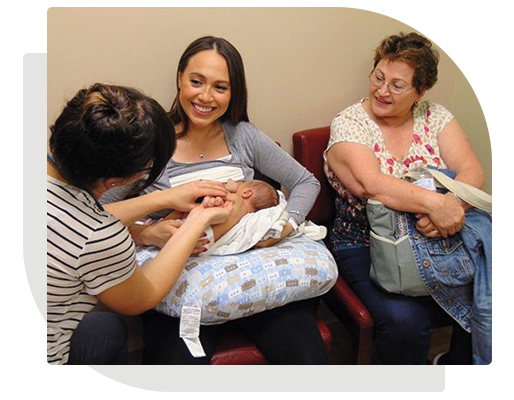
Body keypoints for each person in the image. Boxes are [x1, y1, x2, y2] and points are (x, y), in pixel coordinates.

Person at [100, 36, 328, 365]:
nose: (206, 97)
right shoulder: (149, 144)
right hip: (183, 290)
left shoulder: (243, 135)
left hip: (253, 279)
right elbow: (100, 215)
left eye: (220, 87)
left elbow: (305, 181)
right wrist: (146, 233)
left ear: (233, 92)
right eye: (196, 82)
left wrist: (285, 224)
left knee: (308, 361)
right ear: (179, 78)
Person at [324, 32, 491, 364]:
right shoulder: (350, 123)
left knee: (488, 294)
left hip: (439, 235)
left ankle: (456, 365)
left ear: (421, 92)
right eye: (378, 78)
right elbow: (371, 184)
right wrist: (436, 204)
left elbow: (471, 170)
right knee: (406, 324)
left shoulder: (436, 116)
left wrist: (453, 209)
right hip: (366, 245)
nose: (382, 91)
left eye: (398, 86)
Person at [47, 83, 231, 365]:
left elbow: (80, 217)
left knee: (107, 329)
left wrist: (164, 198)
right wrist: (199, 218)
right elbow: (142, 297)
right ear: (115, 182)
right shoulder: (101, 236)